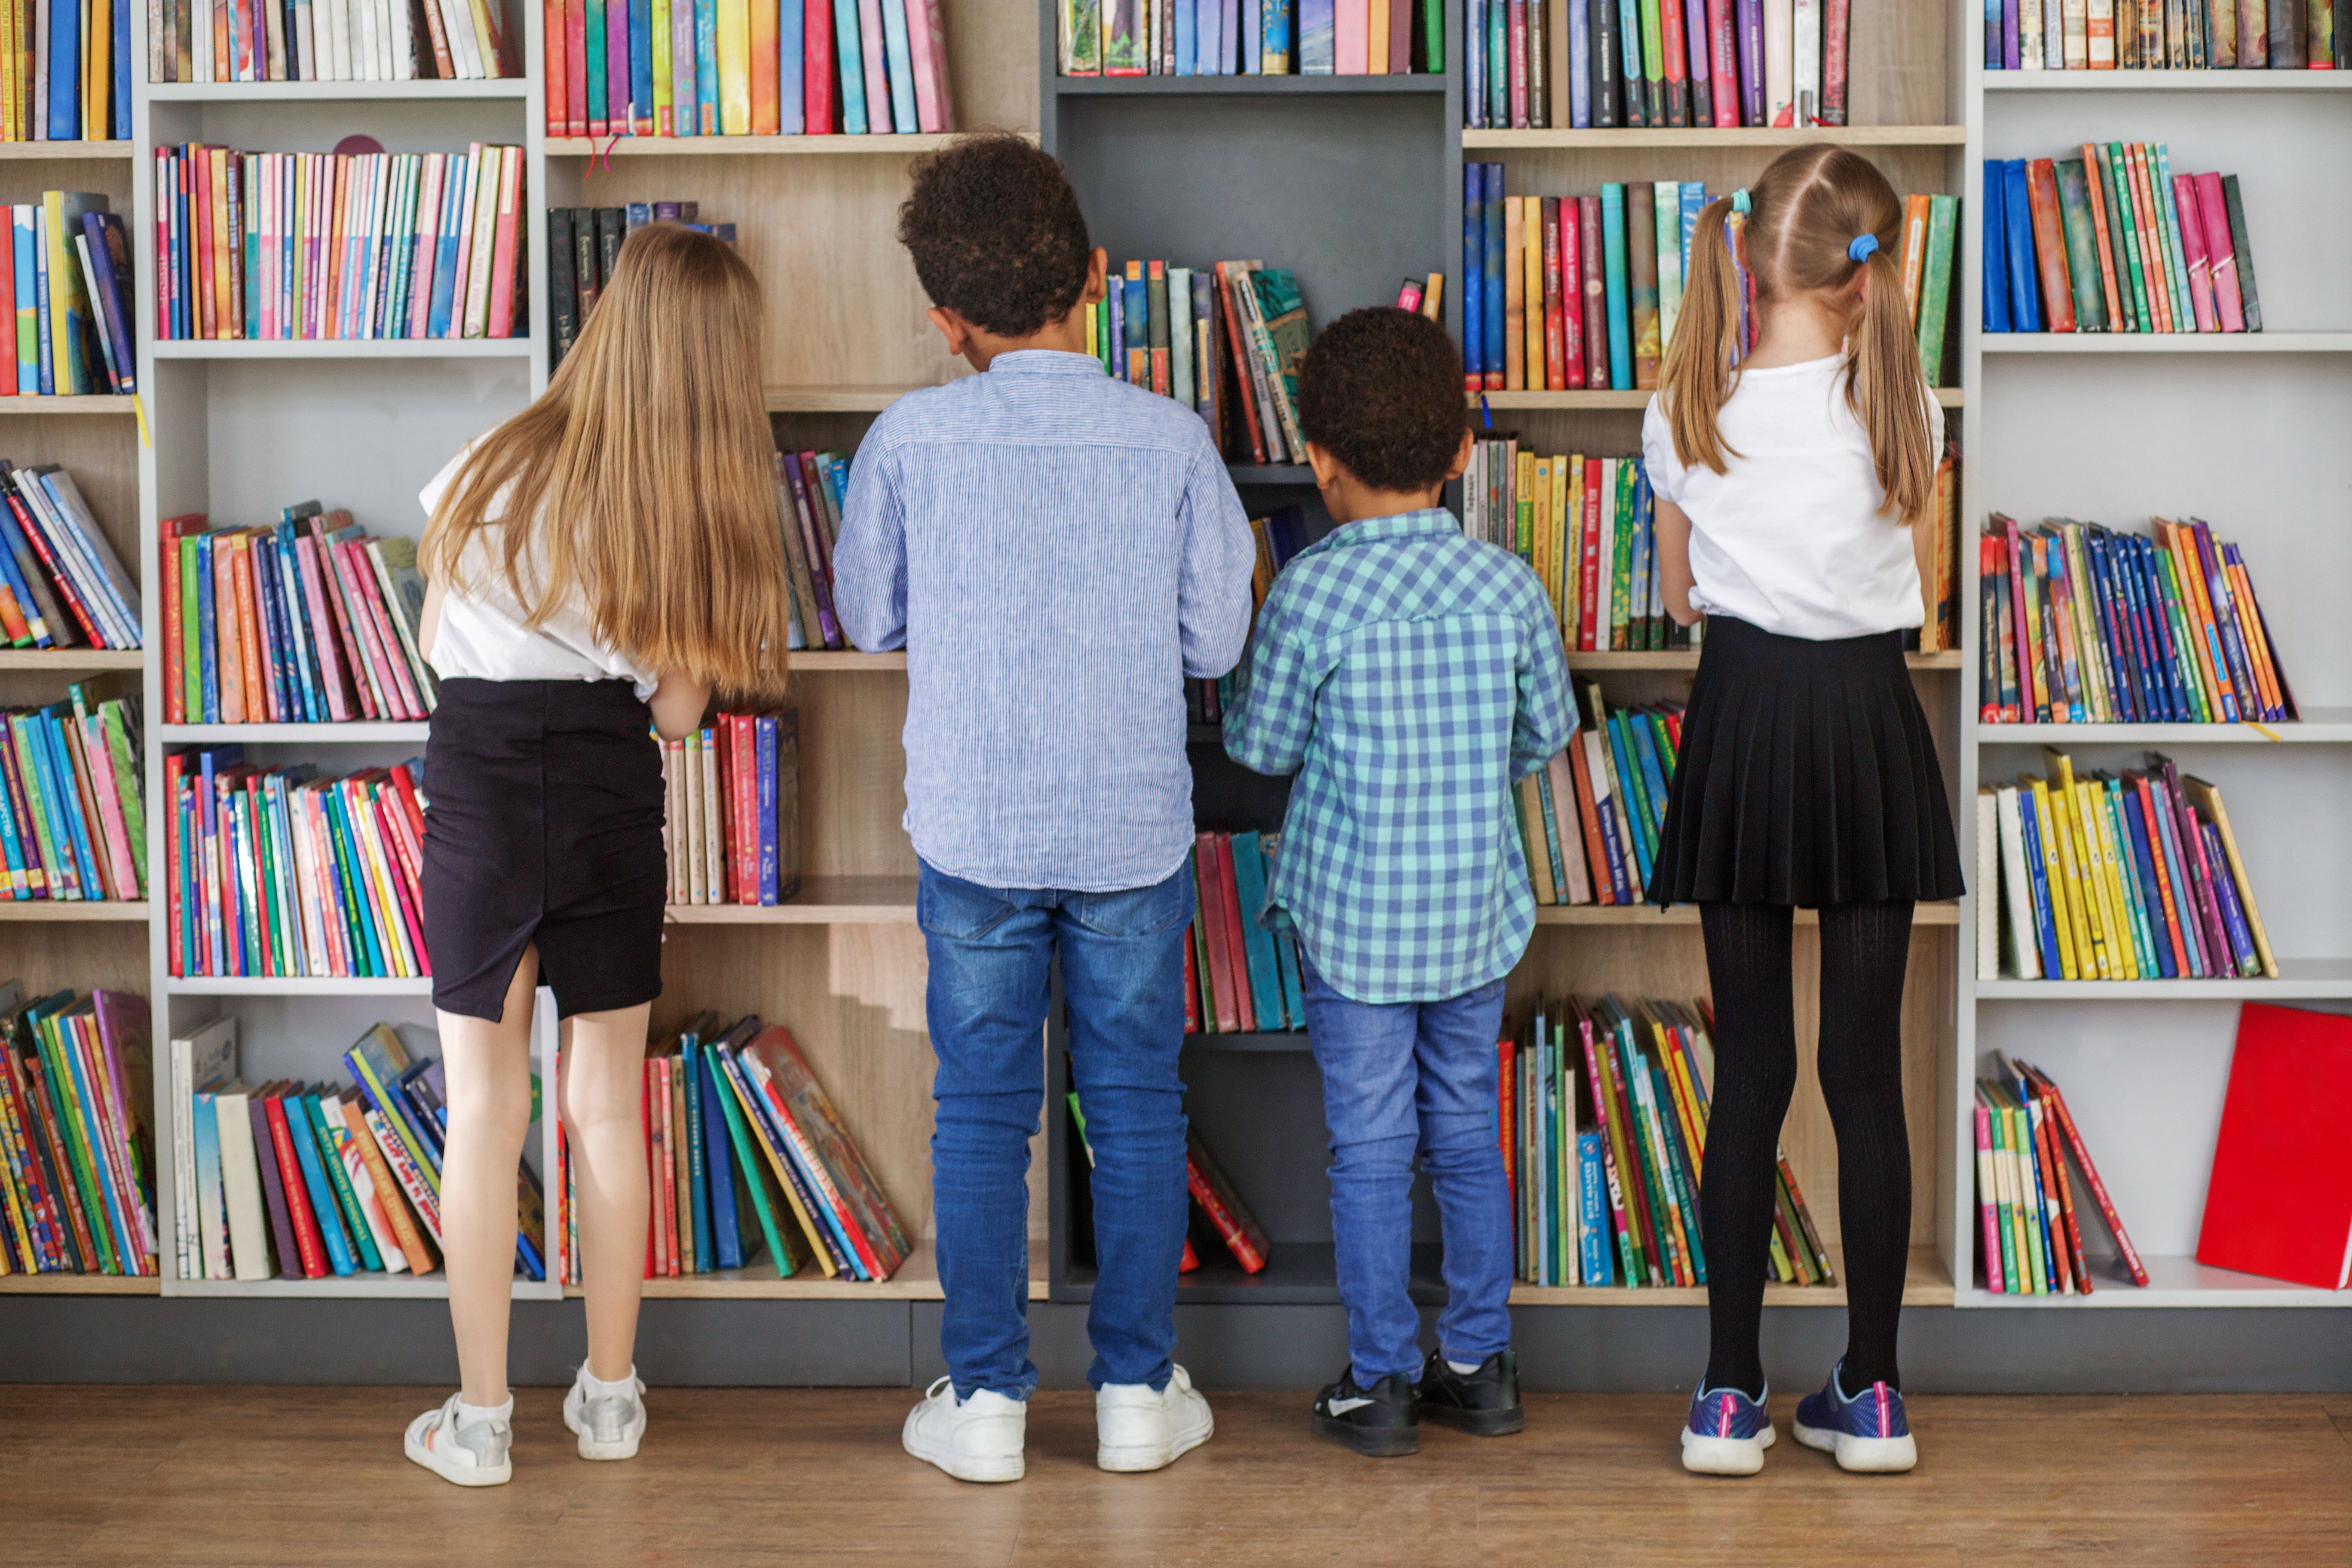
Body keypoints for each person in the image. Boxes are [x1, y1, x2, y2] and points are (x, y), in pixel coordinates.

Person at [830, 133, 1257, 1484]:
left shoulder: (911, 438)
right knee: (1134, 1105)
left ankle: (987, 1403)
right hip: (1131, 825)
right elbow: (1215, 641)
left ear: (947, 318)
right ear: (1093, 276)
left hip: (975, 826)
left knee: (981, 1111)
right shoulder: (1173, 436)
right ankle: (1136, 1393)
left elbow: (867, 613)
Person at [402, 223, 793, 1487]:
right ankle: (612, 1400)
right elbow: (676, 717)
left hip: (479, 778)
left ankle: (477, 1425)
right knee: (605, 1108)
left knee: (483, 1111)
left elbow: (431, 641)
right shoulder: (686, 513)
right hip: (610, 790)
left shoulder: (485, 464)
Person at [1645, 144, 1963, 1478]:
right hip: (1872, 729)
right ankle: (1873, 1397)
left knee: (1754, 1073)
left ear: (1749, 256)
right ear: (1869, 272)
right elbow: (1923, 597)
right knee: (1866, 1077)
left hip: (1746, 725)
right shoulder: (1913, 410)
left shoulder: (1687, 413)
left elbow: (1677, 600)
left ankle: (1729, 1398)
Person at [1225, 307, 1575, 1458]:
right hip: (1473, 921)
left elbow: (1262, 751)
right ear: (1465, 453)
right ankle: (1480, 1366)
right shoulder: (1509, 586)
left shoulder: (1313, 593)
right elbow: (1544, 736)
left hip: (1355, 935)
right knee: (1467, 1133)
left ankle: (1379, 1380)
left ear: (1317, 460)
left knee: (1369, 1147)